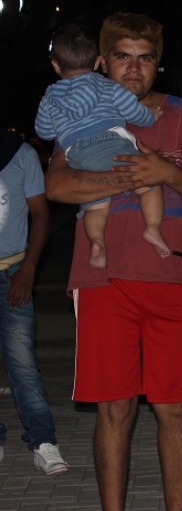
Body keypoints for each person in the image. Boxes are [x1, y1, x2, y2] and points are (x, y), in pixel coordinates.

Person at [44, 12, 182, 511]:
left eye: (145, 57)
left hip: (172, 281)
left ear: (158, 62)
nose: (134, 67)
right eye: (122, 55)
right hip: (104, 282)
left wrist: (165, 173)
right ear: (101, 61)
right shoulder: (80, 105)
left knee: (175, 407)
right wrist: (129, 177)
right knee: (115, 408)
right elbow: (58, 185)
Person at [34, 24, 167, 270]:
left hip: (78, 155)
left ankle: (97, 241)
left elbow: (44, 131)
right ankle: (152, 228)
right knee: (149, 185)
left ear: (55, 65)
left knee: (95, 205)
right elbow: (134, 112)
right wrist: (152, 116)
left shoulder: (50, 97)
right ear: (97, 62)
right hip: (113, 144)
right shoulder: (108, 86)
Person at [0, 131, 69, 476]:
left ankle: (43, 441)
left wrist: (28, 270)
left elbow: (41, 215)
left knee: (22, 362)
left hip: (12, 270)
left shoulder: (19, 153)